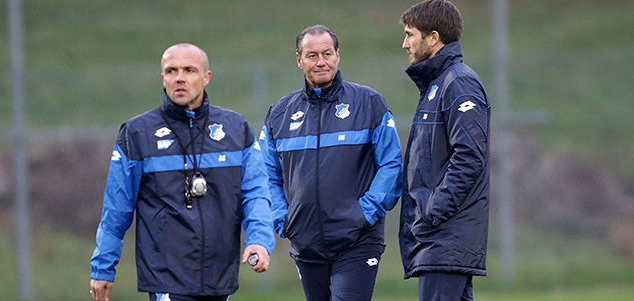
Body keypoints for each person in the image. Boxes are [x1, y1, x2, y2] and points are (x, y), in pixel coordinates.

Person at [89, 43, 275, 301]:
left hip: (220, 277)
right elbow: (116, 208)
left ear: (206, 77)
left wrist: (260, 239)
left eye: (189, 70)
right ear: (162, 78)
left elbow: (256, 193)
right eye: (171, 71)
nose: (180, 78)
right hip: (166, 277)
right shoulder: (137, 134)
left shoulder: (235, 129)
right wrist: (103, 266)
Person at [259, 25, 403, 301]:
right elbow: (266, 174)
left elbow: (392, 165)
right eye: (312, 55)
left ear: (338, 56)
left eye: (327, 53)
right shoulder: (279, 113)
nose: (321, 61)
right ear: (299, 60)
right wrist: (282, 217)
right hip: (306, 243)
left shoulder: (369, 103)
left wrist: (364, 213)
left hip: (357, 241)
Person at [397, 1, 491, 300]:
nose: (404, 44)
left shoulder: (459, 83)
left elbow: (469, 157)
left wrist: (434, 210)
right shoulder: (438, 84)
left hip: (446, 237)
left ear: (433, 38)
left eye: (410, 34)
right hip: (441, 238)